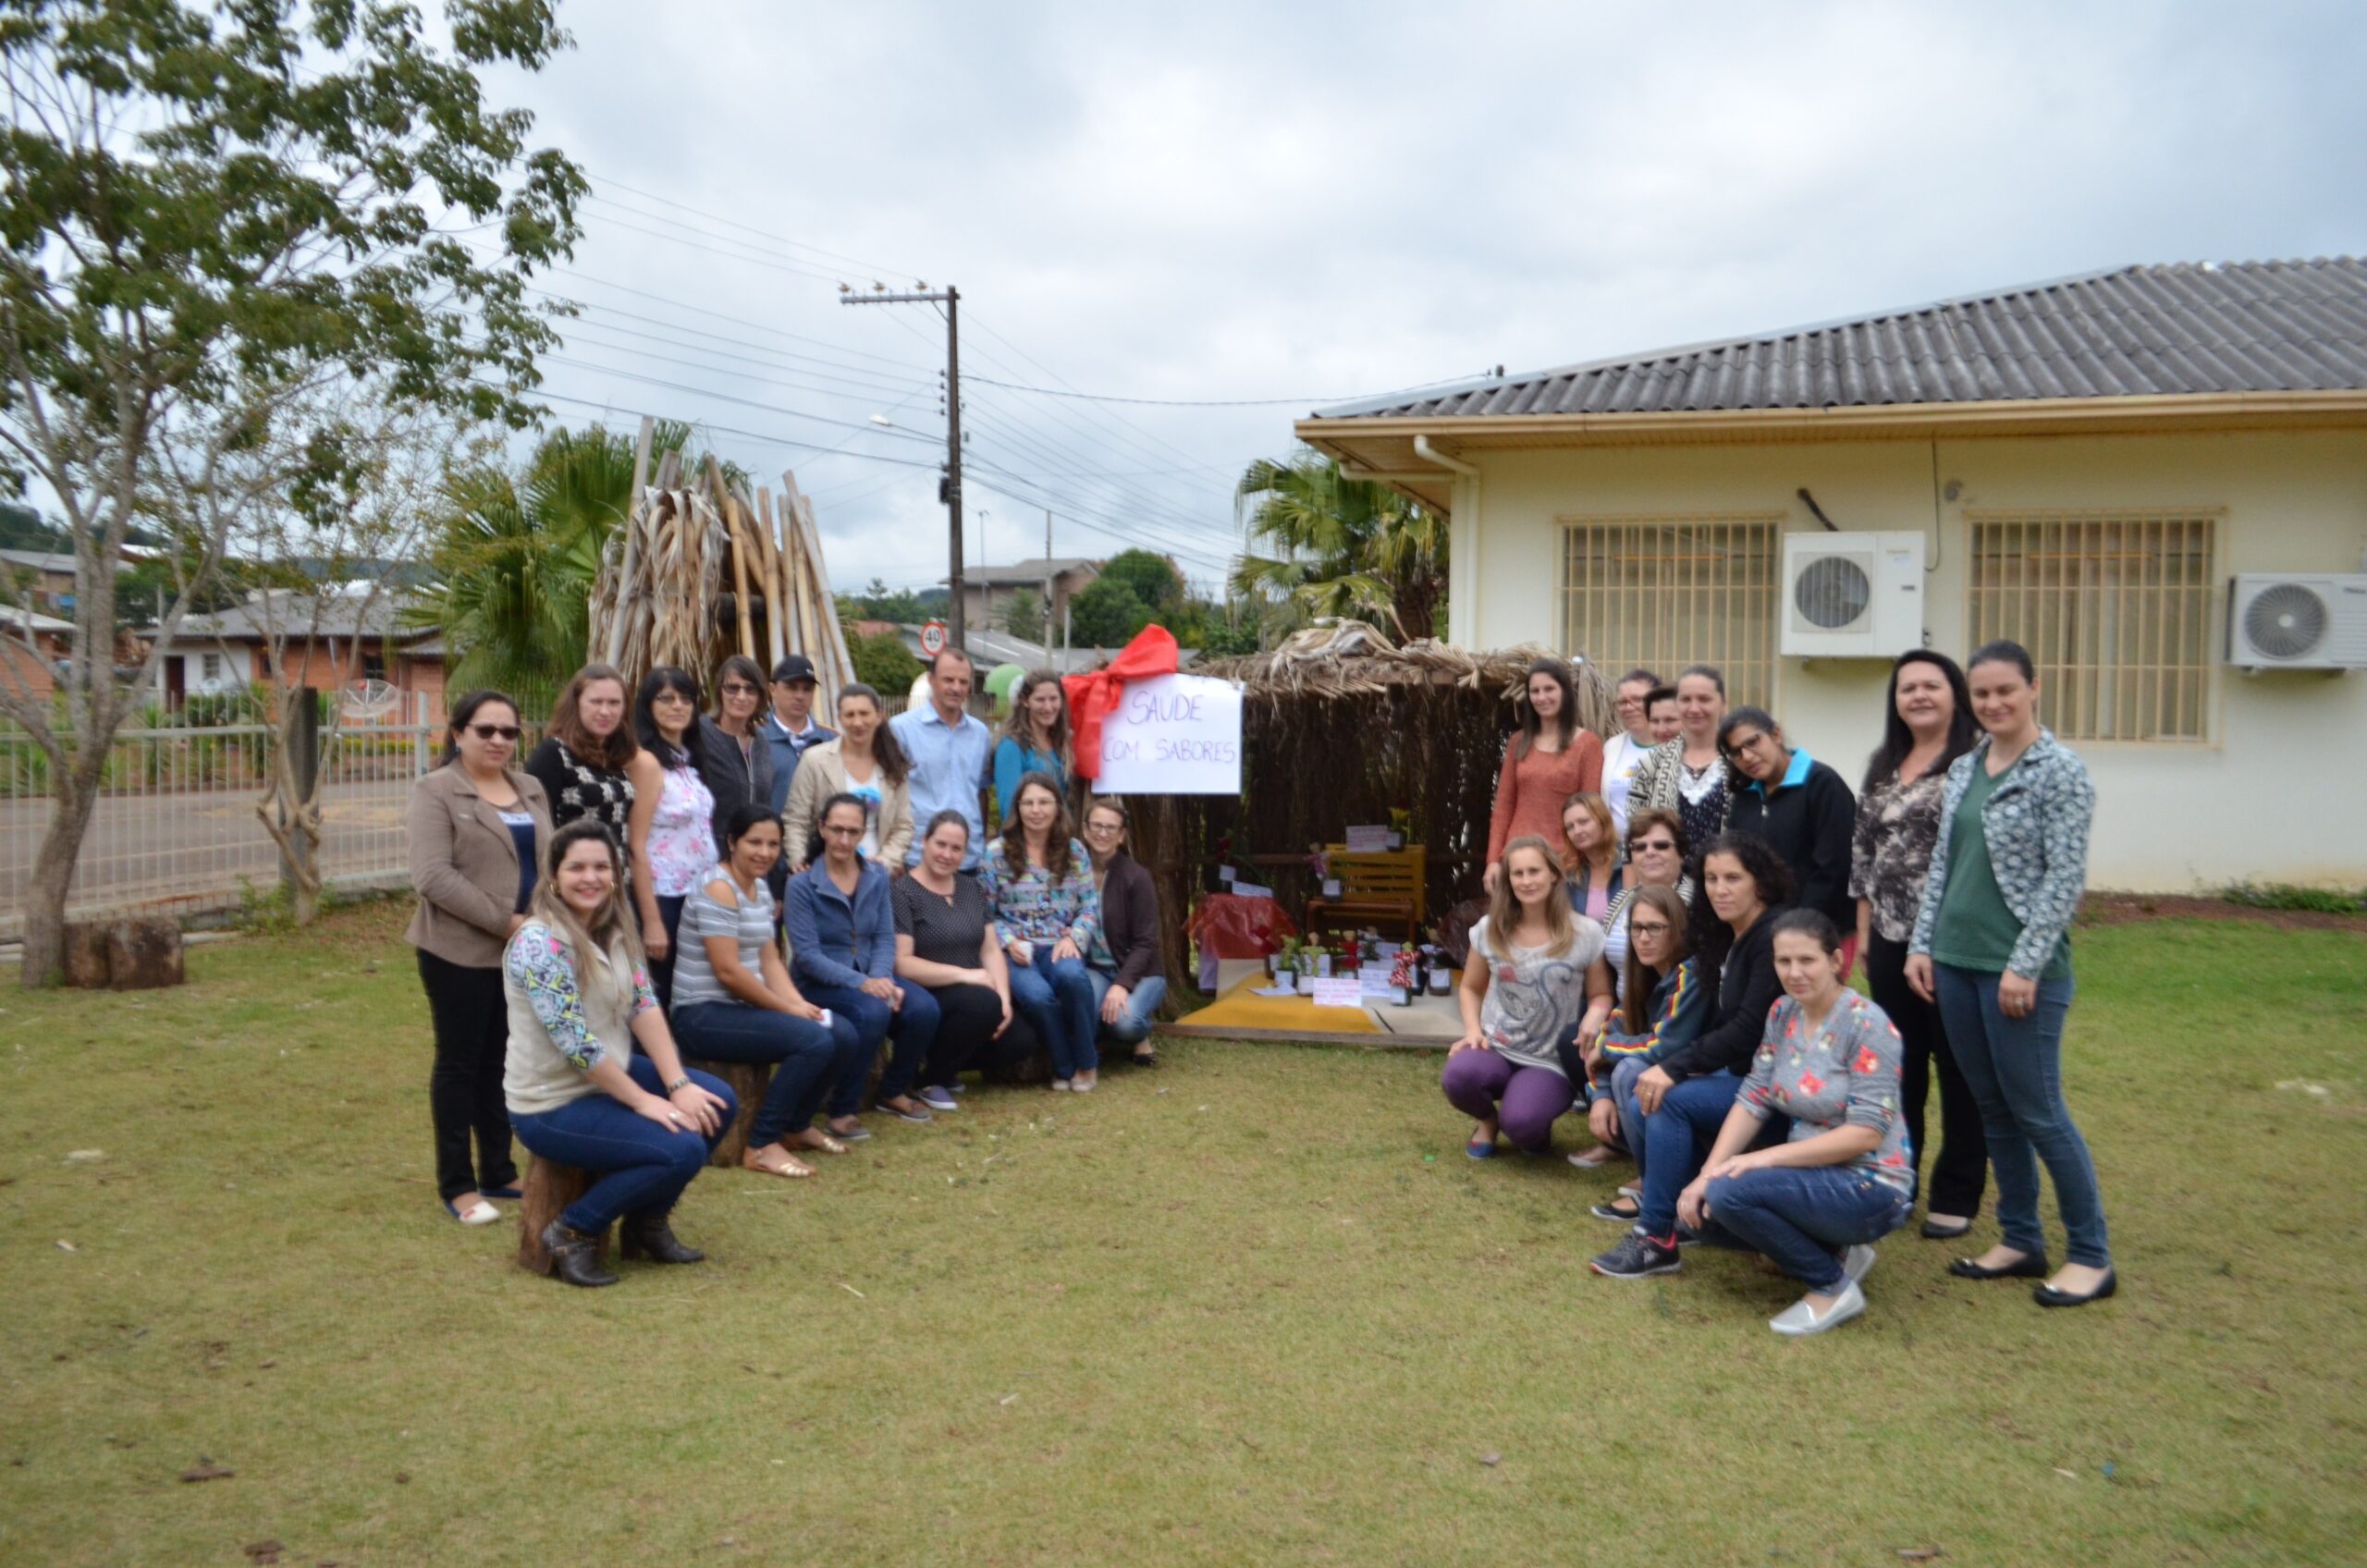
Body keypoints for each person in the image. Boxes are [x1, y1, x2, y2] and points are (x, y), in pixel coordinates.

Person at [1907, 640, 2113, 1308]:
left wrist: (2023, 966)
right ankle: (2021, 1239)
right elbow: (1943, 863)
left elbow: (2064, 878)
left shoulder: (2061, 770)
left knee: (2040, 1112)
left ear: (2034, 688)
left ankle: (2090, 1255)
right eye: (1983, 694)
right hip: (1956, 964)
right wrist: (1921, 944)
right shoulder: (1968, 766)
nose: (1993, 703)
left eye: (2005, 691)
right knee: (1993, 1110)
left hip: (2021, 974)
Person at [501, 819, 733, 1287]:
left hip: (611, 1075)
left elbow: (644, 1003)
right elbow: (578, 1047)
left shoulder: (613, 928)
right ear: (553, 877)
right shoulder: (539, 942)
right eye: (577, 868)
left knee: (716, 1103)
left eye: (601, 867)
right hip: (550, 1102)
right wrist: (648, 1101)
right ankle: (573, 1230)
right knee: (679, 1148)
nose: (590, 878)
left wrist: (678, 1085)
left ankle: (647, 1222)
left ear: (615, 874)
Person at [1674, 909, 1915, 1334]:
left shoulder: (1867, 1024)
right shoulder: (1783, 1012)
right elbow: (1754, 1096)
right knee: (1700, 1213)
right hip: (1810, 1177)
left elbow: (1866, 1132)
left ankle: (1831, 1287)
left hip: (1870, 1186)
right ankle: (1837, 1251)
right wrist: (1705, 1174)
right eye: (1784, 961)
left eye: (1807, 960)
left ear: (1836, 962)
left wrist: (1761, 1160)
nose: (1794, 972)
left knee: (1730, 1195)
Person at [1590, 831, 1791, 1277]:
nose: (1719, 889)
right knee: (1639, 1076)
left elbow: (1746, 1030)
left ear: (1759, 881)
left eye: (1732, 878)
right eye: (1711, 878)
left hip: (1778, 1088)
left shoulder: (1773, 935)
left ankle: (1657, 1235)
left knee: (1669, 1098)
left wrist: (1674, 1066)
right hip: (1741, 1076)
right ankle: (1673, 1211)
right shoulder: (1730, 937)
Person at [406, 689, 552, 1227]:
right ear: (459, 732)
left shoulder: (530, 788)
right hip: (459, 951)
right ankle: (458, 1184)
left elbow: (547, 862)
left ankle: (497, 1167)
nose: (497, 741)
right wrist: (508, 921)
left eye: (508, 732)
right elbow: (432, 876)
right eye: (485, 730)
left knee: (502, 1062)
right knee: (460, 1064)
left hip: (523, 953)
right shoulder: (436, 790)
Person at [1854, 649, 1986, 1240]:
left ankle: (1956, 1193)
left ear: (1955, 694)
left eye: (1932, 685)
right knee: (1898, 1067)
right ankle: (1896, 1176)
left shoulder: (1976, 761)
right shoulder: (1884, 764)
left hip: (1952, 942)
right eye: (1908, 688)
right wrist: (1862, 933)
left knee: (1958, 1066)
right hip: (1887, 937)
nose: (1919, 696)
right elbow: (1863, 856)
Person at [668, 802, 866, 1178]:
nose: (764, 852)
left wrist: (799, 1004)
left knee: (841, 1032)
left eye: (773, 844)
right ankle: (761, 1144)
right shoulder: (718, 888)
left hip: (740, 1008)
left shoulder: (758, 888)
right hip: (702, 1014)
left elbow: (769, 960)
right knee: (813, 1041)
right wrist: (786, 1010)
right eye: (754, 842)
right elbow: (728, 972)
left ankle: (795, 1124)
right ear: (732, 842)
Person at [1444, 835, 1615, 1158]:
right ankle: (1487, 1121)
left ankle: (1527, 1121)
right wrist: (1472, 1032)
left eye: (1534, 871)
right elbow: (1469, 987)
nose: (1526, 881)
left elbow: (1602, 994)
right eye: (1518, 873)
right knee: (1458, 1076)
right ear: (1508, 880)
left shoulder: (1586, 933)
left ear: (1554, 874)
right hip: (1495, 1046)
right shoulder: (1490, 928)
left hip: (1549, 1060)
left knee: (1523, 1124)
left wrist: (1595, 1014)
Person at [784, 792, 942, 1136]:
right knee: (872, 1012)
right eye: (837, 829)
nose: (844, 839)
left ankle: (893, 1090)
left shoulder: (877, 876)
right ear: (821, 828)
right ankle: (841, 1110)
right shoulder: (801, 885)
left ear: (863, 833)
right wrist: (863, 985)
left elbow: (885, 937)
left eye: (853, 831)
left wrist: (880, 977)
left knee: (924, 1009)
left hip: (873, 973)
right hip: (820, 983)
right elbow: (808, 956)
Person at [893, 809, 1039, 1102]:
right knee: (982, 1003)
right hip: (929, 994)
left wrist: (1004, 999)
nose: (946, 854)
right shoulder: (902, 892)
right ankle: (929, 1080)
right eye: (940, 844)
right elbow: (903, 962)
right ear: (924, 841)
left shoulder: (972, 888)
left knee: (1021, 1039)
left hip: (976, 995)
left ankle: (947, 1065)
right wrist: (966, 975)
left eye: (956, 848)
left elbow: (989, 948)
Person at [982, 771, 1103, 1090]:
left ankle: (1087, 1064)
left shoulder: (1075, 851)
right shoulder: (996, 853)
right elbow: (985, 912)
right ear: (1018, 807)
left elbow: (1090, 905)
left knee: (1074, 979)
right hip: (1016, 948)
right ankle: (1064, 1067)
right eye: (1029, 802)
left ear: (1057, 807)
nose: (1036, 810)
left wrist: (1074, 937)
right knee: (1037, 996)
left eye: (1044, 802)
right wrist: (1007, 943)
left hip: (1060, 943)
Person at [1581, 884, 1709, 1173]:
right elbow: (1611, 1026)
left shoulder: (1691, 974)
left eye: (1655, 928)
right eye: (1636, 928)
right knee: (1609, 1054)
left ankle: (1652, 1180)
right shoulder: (1647, 973)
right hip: (1670, 1076)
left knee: (1630, 1070)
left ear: (1678, 929)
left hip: (1706, 1078)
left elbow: (1662, 1046)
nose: (1643, 938)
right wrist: (1601, 1094)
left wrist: (1605, 1048)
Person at [1718, 706, 1858, 943]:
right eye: (1736, 752)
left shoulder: (1823, 785)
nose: (1747, 757)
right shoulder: (1744, 798)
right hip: (1762, 931)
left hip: (1820, 932)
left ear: (1776, 734)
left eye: (1752, 742)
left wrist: (1796, 928)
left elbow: (1834, 868)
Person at [624, 667, 716, 1011]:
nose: (677, 705)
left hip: (697, 892)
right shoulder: (646, 762)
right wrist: (652, 921)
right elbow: (636, 844)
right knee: (655, 998)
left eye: (685, 698)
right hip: (663, 895)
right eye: (666, 698)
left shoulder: (689, 762)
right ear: (648, 706)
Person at [1483, 658, 1604, 893]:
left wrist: (1584, 861)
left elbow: (1592, 811)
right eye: (1535, 691)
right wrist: (1493, 862)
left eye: (1549, 689)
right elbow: (1503, 806)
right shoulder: (1519, 741)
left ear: (1565, 692)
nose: (1542, 697)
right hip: (1517, 861)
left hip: (1564, 864)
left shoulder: (1587, 744)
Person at [783, 681, 914, 875]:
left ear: (878, 716)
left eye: (864, 713)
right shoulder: (815, 760)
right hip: (824, 873)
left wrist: (885, 862)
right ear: (839, 719)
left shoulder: (892, 764)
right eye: (850, 715)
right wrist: (800, 861)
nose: (857, 722)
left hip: (877, 875)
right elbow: (796, 819)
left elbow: (903, 825)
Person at [891, 647, 994, 873]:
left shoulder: (980, 734)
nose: (956, 688)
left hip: (968, 858)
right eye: (948, 680)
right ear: (931, 680)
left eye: (963, 681)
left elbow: (980, 792)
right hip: (918, 858)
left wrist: (981, 840)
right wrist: (893, 853)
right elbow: (890, 793)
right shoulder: (901, 730)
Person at [1081, 798, 1164, 1066]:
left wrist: (1121, 984)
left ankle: (1139, 1033)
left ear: (1121, 835)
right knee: (1083, 1014)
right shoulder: (1074, 873)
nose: (1102, 833)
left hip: (1141, 972)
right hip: (1096, 968)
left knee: (1125, 1024)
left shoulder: (1136, 877)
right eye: (1097, 826)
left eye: (1111, 827)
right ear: (1085, 830)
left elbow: (1145, 942)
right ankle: (1104, 1031)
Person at [522, 664, 636, 849]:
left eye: (614, 703)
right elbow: (537, 825)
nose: (605, 711)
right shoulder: (554, 753)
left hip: (616, 872)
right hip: (575, 872)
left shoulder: (616, 756)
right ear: (576, 704)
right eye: (596, 702)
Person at [1627, 665, 1731, 861]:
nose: (1694, 708)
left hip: (1727, 884)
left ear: (1724, 704)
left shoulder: (1740, 762)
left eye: (1704, 699)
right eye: (1685, 700)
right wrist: (1633, 891)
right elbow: (1632, 839)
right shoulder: (1651, 763)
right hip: (1666, 886)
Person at [1599, 806, 1697, 988]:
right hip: (1625, 1011)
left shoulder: (1698, 903)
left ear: (1682, 854)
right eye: (1640, 847)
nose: (1650, 852)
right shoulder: (1621, 899)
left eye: (1661, 845)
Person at [695, 654, 775, 859]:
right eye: (732, 688)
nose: (741, 696)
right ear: (719, 691)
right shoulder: (700, 734)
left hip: (753, 858)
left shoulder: (761, 741)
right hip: (710, 855)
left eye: (750, 689)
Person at [760, 653, 836, 816]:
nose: (800, 696)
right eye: (791, 688)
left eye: (807, 689)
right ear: (772, 689)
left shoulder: (831, 740)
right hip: (769, 837)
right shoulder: (754, 738)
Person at [993, 669, 1073, 822]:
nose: (1048, 707)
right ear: (1025, 700)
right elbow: (1008, 807)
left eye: (1053, 699)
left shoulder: (1061, 742)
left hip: (1057, 839)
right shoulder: (1012, 746)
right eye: (1040, 700)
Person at [1600, 667, 1662, 834]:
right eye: (1622, 702)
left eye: (1637, 699)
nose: (1628, 707)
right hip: (1618, 852)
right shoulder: (1611, 747)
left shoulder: (1678, 747)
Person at [1560, 790, 1622, 922]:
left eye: (1583, 822)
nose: (1577, 831)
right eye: (1570, 827)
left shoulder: (1629, 861)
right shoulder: (1572, 875)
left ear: (1603, 820)